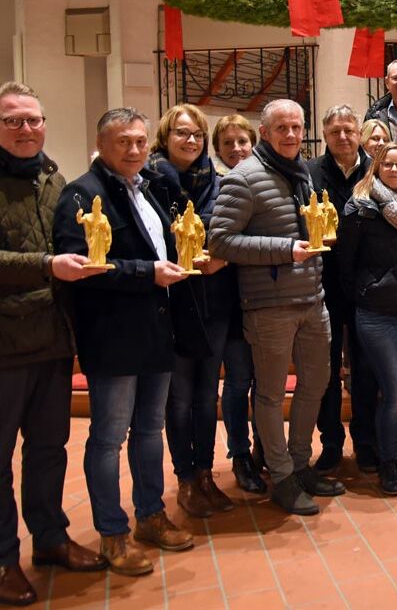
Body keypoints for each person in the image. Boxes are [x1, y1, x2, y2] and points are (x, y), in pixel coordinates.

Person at [0, 82, 108, 606]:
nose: (26, 130)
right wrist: (48, 266)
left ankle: (50, 539)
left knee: (48, 449)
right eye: (14, 120)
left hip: (51, 335)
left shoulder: (50, 174)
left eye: (34, 120)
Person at [53, 108, 200, 576]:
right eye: (123, 142)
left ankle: (150, 516)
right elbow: (78, 267)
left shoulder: (148, 188)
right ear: (102, 143)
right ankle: (112, 533)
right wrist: (147, 273)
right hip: (113, 334)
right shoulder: (83, 194)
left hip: (156, 328)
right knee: (109, 437)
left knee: (150, 430)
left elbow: (160, 247)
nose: (135, 150)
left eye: (140, 141)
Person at [209, 99, 346, 516]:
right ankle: (282, 475)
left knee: (316, 384)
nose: (290, 134)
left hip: (312, 299)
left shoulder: (301, 172)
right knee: (269, 395)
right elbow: (220, 242)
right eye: (281, 128)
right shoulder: (244, 178)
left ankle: (300, 463)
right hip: (269, 306)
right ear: (264, 133)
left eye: (296, 127)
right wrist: (286, 250)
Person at [147, 105, 236, 519]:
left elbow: (230, 230)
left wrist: (221, 255)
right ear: (166, 137)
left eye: (198, 134)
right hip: (173, 303)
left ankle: (205, 474)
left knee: (206, 396)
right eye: (182, 133)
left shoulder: (216, 183)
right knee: (179, 398)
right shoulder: (148, 184)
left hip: (213, 298)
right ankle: (185, 476)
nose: (190, 141)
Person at [336, 143, 397, 495]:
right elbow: (344, 265)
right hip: (378, 316)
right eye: (387, 165)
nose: (394, 170)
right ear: (376, 168)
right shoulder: (360, 209)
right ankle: (387, 462)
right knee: (394, 392)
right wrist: (367, 292)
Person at [307, 105, 378, 475]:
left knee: (366, 369)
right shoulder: (309, 173)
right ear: (325, 135)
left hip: (369, 285)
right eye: (335, 132)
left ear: (360, 132)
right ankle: (331, 442)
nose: (344, 137)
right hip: (325, 285)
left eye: (349, 130)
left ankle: (366, 441)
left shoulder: (379, 169)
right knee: (326, 369)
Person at [210, 115, 265, 494]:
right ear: (217, 149)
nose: (236, 149)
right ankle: (240, 454)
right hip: (227, 300)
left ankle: (265, 447)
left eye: (242, 141)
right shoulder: (213, 188)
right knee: (239, 381)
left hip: (262, 297)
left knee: (264, 381)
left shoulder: (263, 181)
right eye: (227, 143)